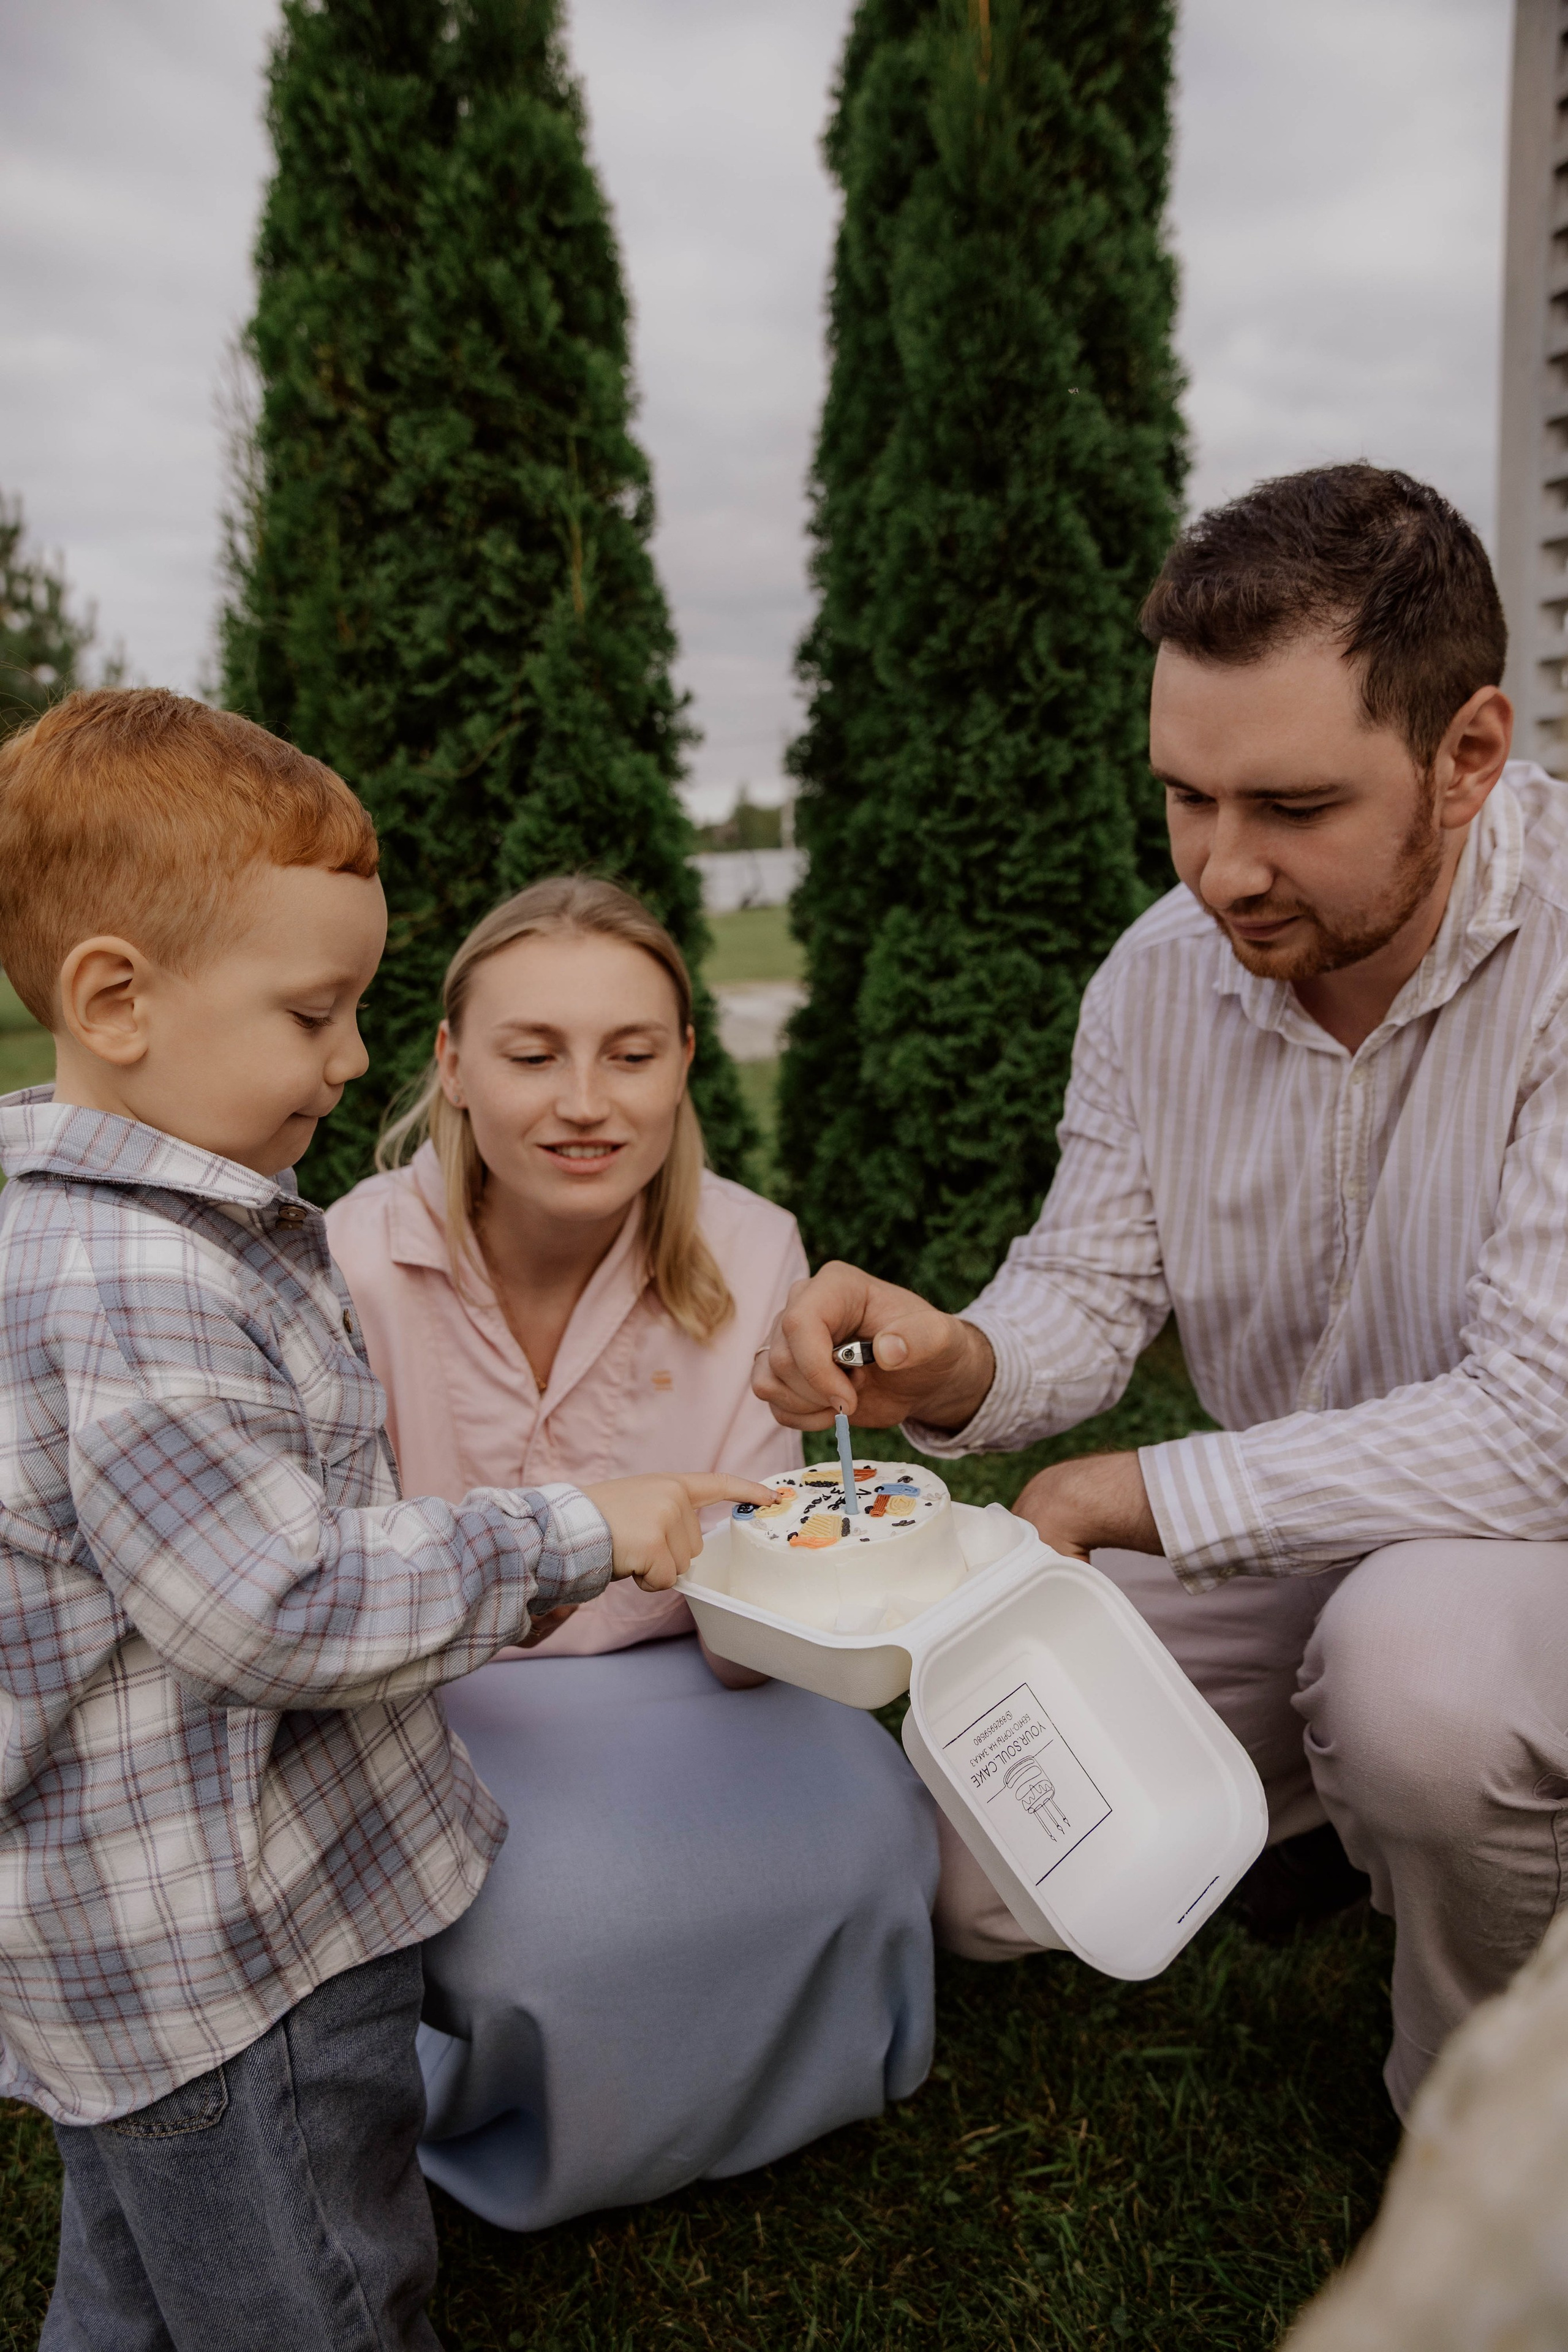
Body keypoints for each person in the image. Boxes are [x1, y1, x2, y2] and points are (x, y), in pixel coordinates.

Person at [756, 462, 1568, 2119]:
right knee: (979, 1865)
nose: (1219, 870)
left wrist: (1127, 1492)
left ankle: (1481, 2119)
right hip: (1291, 1539)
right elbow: (1087, 1282)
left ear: (1469, 753)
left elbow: (1539, 1429)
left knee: (1419, 1688)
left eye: (1292, 807)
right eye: (1186, 798)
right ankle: (1347, 1805)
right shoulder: (1156, 978)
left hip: (1525, 1552)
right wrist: (958, 1363)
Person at [0, 688, 763, 2352]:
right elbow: (273, 1601)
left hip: (134, 1958)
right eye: (313, 1013)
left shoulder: (102, 1229)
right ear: (116, 1000)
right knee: (319, 2293)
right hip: (237, 1964)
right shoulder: (138, 1283)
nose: (351, 1058)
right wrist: (573, 1529)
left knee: (132, 2293)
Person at [325, 876, 941, 2233]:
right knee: (546, 1923)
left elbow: (750, 1607)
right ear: (453, 1065)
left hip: (700, 1667)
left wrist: (830, 1567)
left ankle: (795, 2079)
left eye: (631, 1053)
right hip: (431, 1688)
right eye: (533, 1054)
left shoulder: (754, 1247)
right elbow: (336, 1590)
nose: (585, 1103)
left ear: (683, 1064)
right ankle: (517, 2132)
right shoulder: (350, 1261)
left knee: (864, 1840)